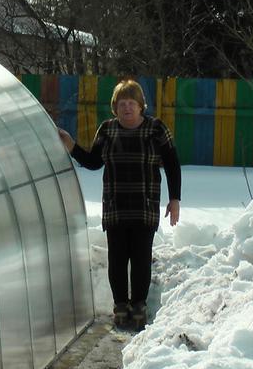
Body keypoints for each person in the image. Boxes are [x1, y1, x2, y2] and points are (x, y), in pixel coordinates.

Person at [58, 79, 181, 331]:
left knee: (140, 258)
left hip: (144, 206)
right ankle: (120, 306)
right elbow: (93, 162)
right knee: (117, 258)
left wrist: (174, 199)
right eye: (122, 103)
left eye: (132, 103)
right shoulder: (107, 130)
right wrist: (71, 146)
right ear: (115, 107)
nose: (127, 108)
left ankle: (139, 306)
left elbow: (172, 164)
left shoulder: (156, 129)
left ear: (140, 106)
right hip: (115, 206)